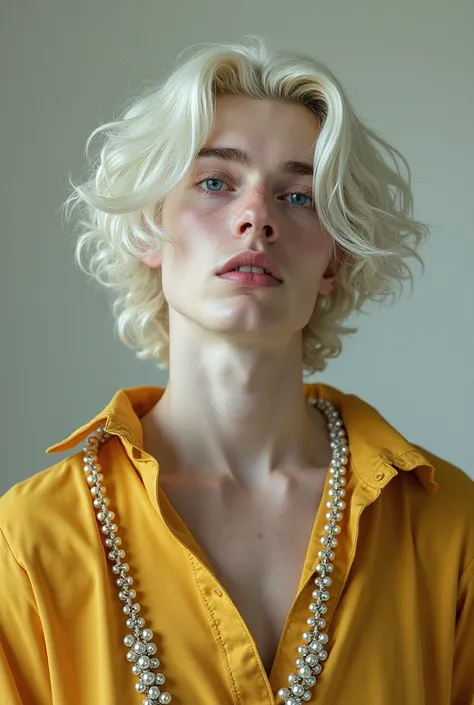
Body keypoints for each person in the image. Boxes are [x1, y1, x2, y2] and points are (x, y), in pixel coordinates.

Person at [0, 36, 472, 705]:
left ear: (335, 262)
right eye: (216, 182)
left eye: (299, 195)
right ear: (149, 229)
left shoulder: (448, 524)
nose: (257, 217)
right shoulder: (30, 540)